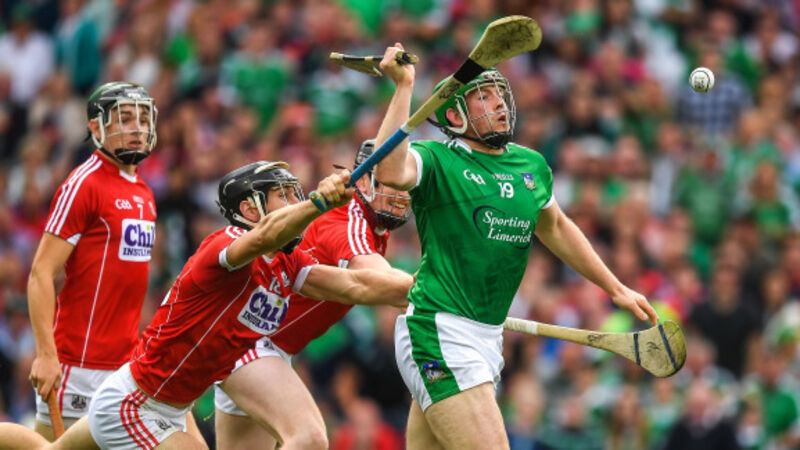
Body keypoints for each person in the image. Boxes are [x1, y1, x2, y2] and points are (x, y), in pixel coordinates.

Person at [0, 160, 413, 449]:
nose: (295, 202)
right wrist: (318, 204)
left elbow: (356, 284)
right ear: (249, 209)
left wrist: (428, 289)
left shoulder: (289, 264)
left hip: (169, 406)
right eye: (282, 196)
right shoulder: (226, 245)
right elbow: (263, 238)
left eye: (296, 193)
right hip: (136, 404)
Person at [373, 43, 660, 449]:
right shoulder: (436, 159)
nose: (499, 104)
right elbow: (388, 169)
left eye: (500, 94)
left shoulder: (531, 166)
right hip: (440, 331)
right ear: (454, 115)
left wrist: (615, 288)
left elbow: (555, 227)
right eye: (483, 96)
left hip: (486, 338)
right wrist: (404, 87)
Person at [212, 139, 412, 449]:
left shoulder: (374, 228)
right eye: (392, 182)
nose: (402, 194)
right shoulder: (349, 218)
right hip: (250, 341)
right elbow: (374, 279)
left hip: (263, 346)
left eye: (405, 184)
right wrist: (439, 291)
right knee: (310, 438)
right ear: (363, 181)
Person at [26, 81, 170, 440]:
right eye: (125, 118)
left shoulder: (144, 192)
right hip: (78, 365)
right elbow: (41, 273)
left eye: (143, 119)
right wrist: (46, 355)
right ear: (95, 127)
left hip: (125, 367)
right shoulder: (84, 184)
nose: (137, 128)